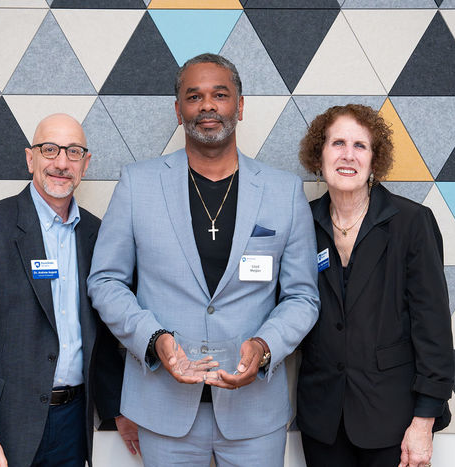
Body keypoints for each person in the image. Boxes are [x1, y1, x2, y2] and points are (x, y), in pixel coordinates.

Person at [87, 53, 320, 467]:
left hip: (255, 414)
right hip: (163, 410)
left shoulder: (284, 192)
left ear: (240, 106)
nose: (207, 106)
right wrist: (154, 340)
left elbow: (302, 296)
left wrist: (265, 346)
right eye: (194, 96)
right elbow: (105, 281)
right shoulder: (137, 185)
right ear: (179, 111)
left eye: (220, 94)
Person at [0, 114, 138, 467]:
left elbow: (103, 335)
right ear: (31, 158)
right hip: (3, 426)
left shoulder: (97, 234)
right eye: (50, 150)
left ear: (85, 163)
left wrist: (117, 409)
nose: (61, 163)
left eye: (73, 152)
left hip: (74, 422)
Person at [296, 104, 454, 467]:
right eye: (337, 143)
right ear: (319, 155)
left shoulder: (412, 223)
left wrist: (424, 420)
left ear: (374, 159)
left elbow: (433, 329)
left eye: (360, 146)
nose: (348, 155)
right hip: (322, 420)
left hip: (394, 421)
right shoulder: (302, 223)